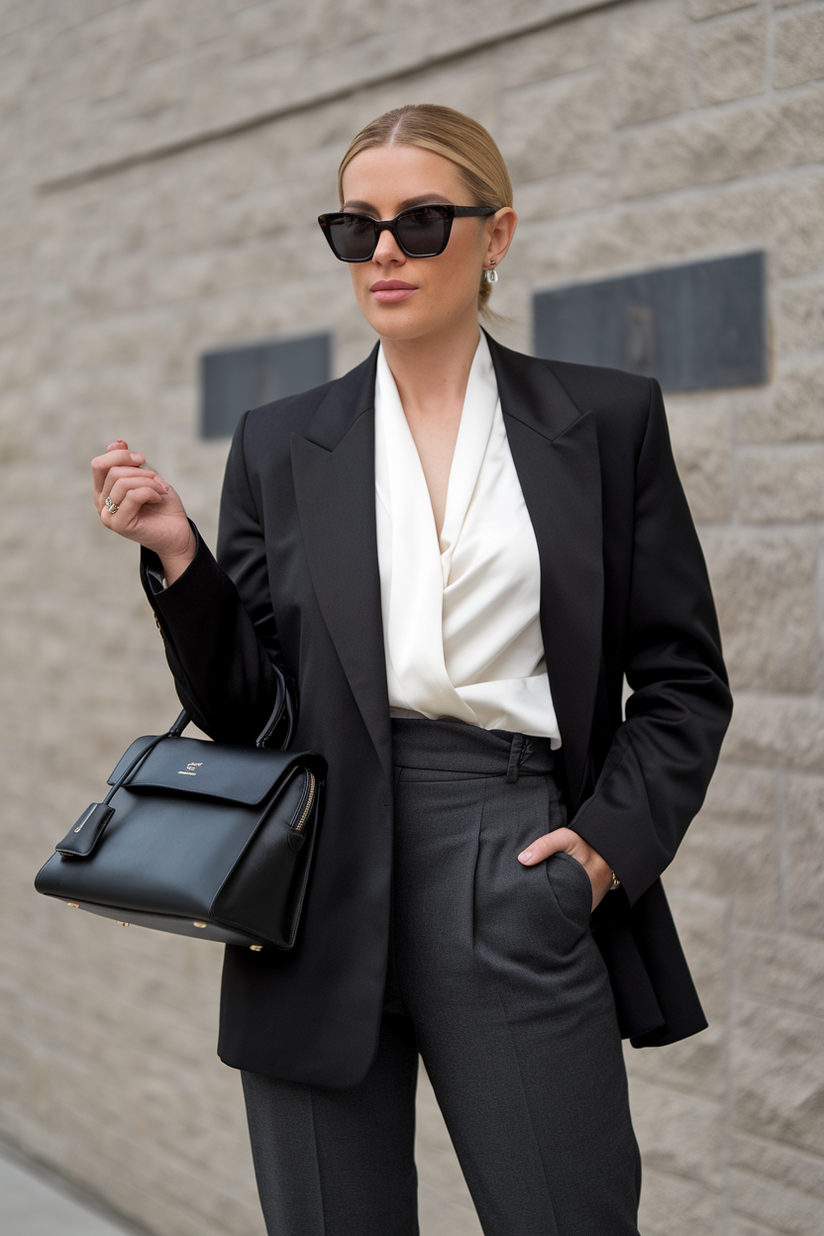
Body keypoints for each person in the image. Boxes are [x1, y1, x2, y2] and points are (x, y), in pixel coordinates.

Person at [91, 104, 732, 1236]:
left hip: (509, 860)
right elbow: (249, 709)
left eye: (421, 221)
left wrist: (593, 860)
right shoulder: (281, 442)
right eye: (356, 227)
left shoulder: (604, 421)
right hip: (309, 880)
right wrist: (180, 561)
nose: (384, 251)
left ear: (495, 236)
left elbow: (680, 683)